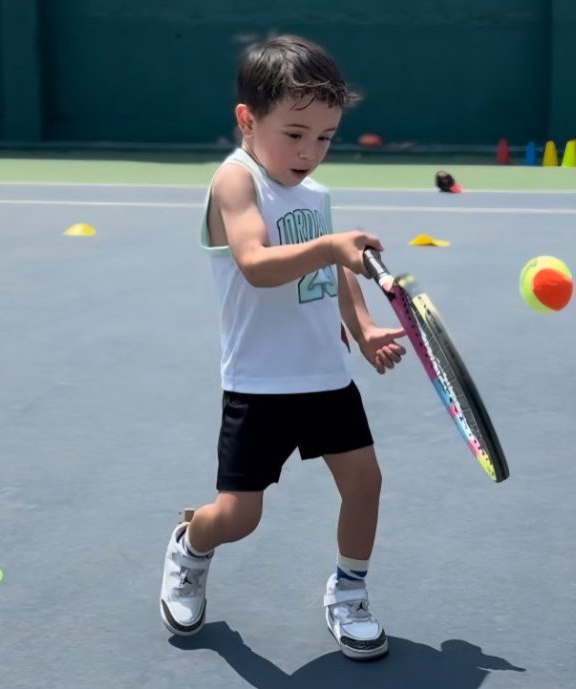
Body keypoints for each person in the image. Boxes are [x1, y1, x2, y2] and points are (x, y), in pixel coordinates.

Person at [159, 34, 406, 661]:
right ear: (248, 119)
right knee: (239, 517)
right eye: (295, 134)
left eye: (325, 137)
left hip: (326, 377)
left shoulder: (315, 196)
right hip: (260, 385)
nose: (310, 152)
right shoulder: (235, 182)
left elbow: (337, 272)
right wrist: (328, 247)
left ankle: (348, 592)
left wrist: (364, 324)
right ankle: (192, 543)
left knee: (366, 484)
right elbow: (256, 263)